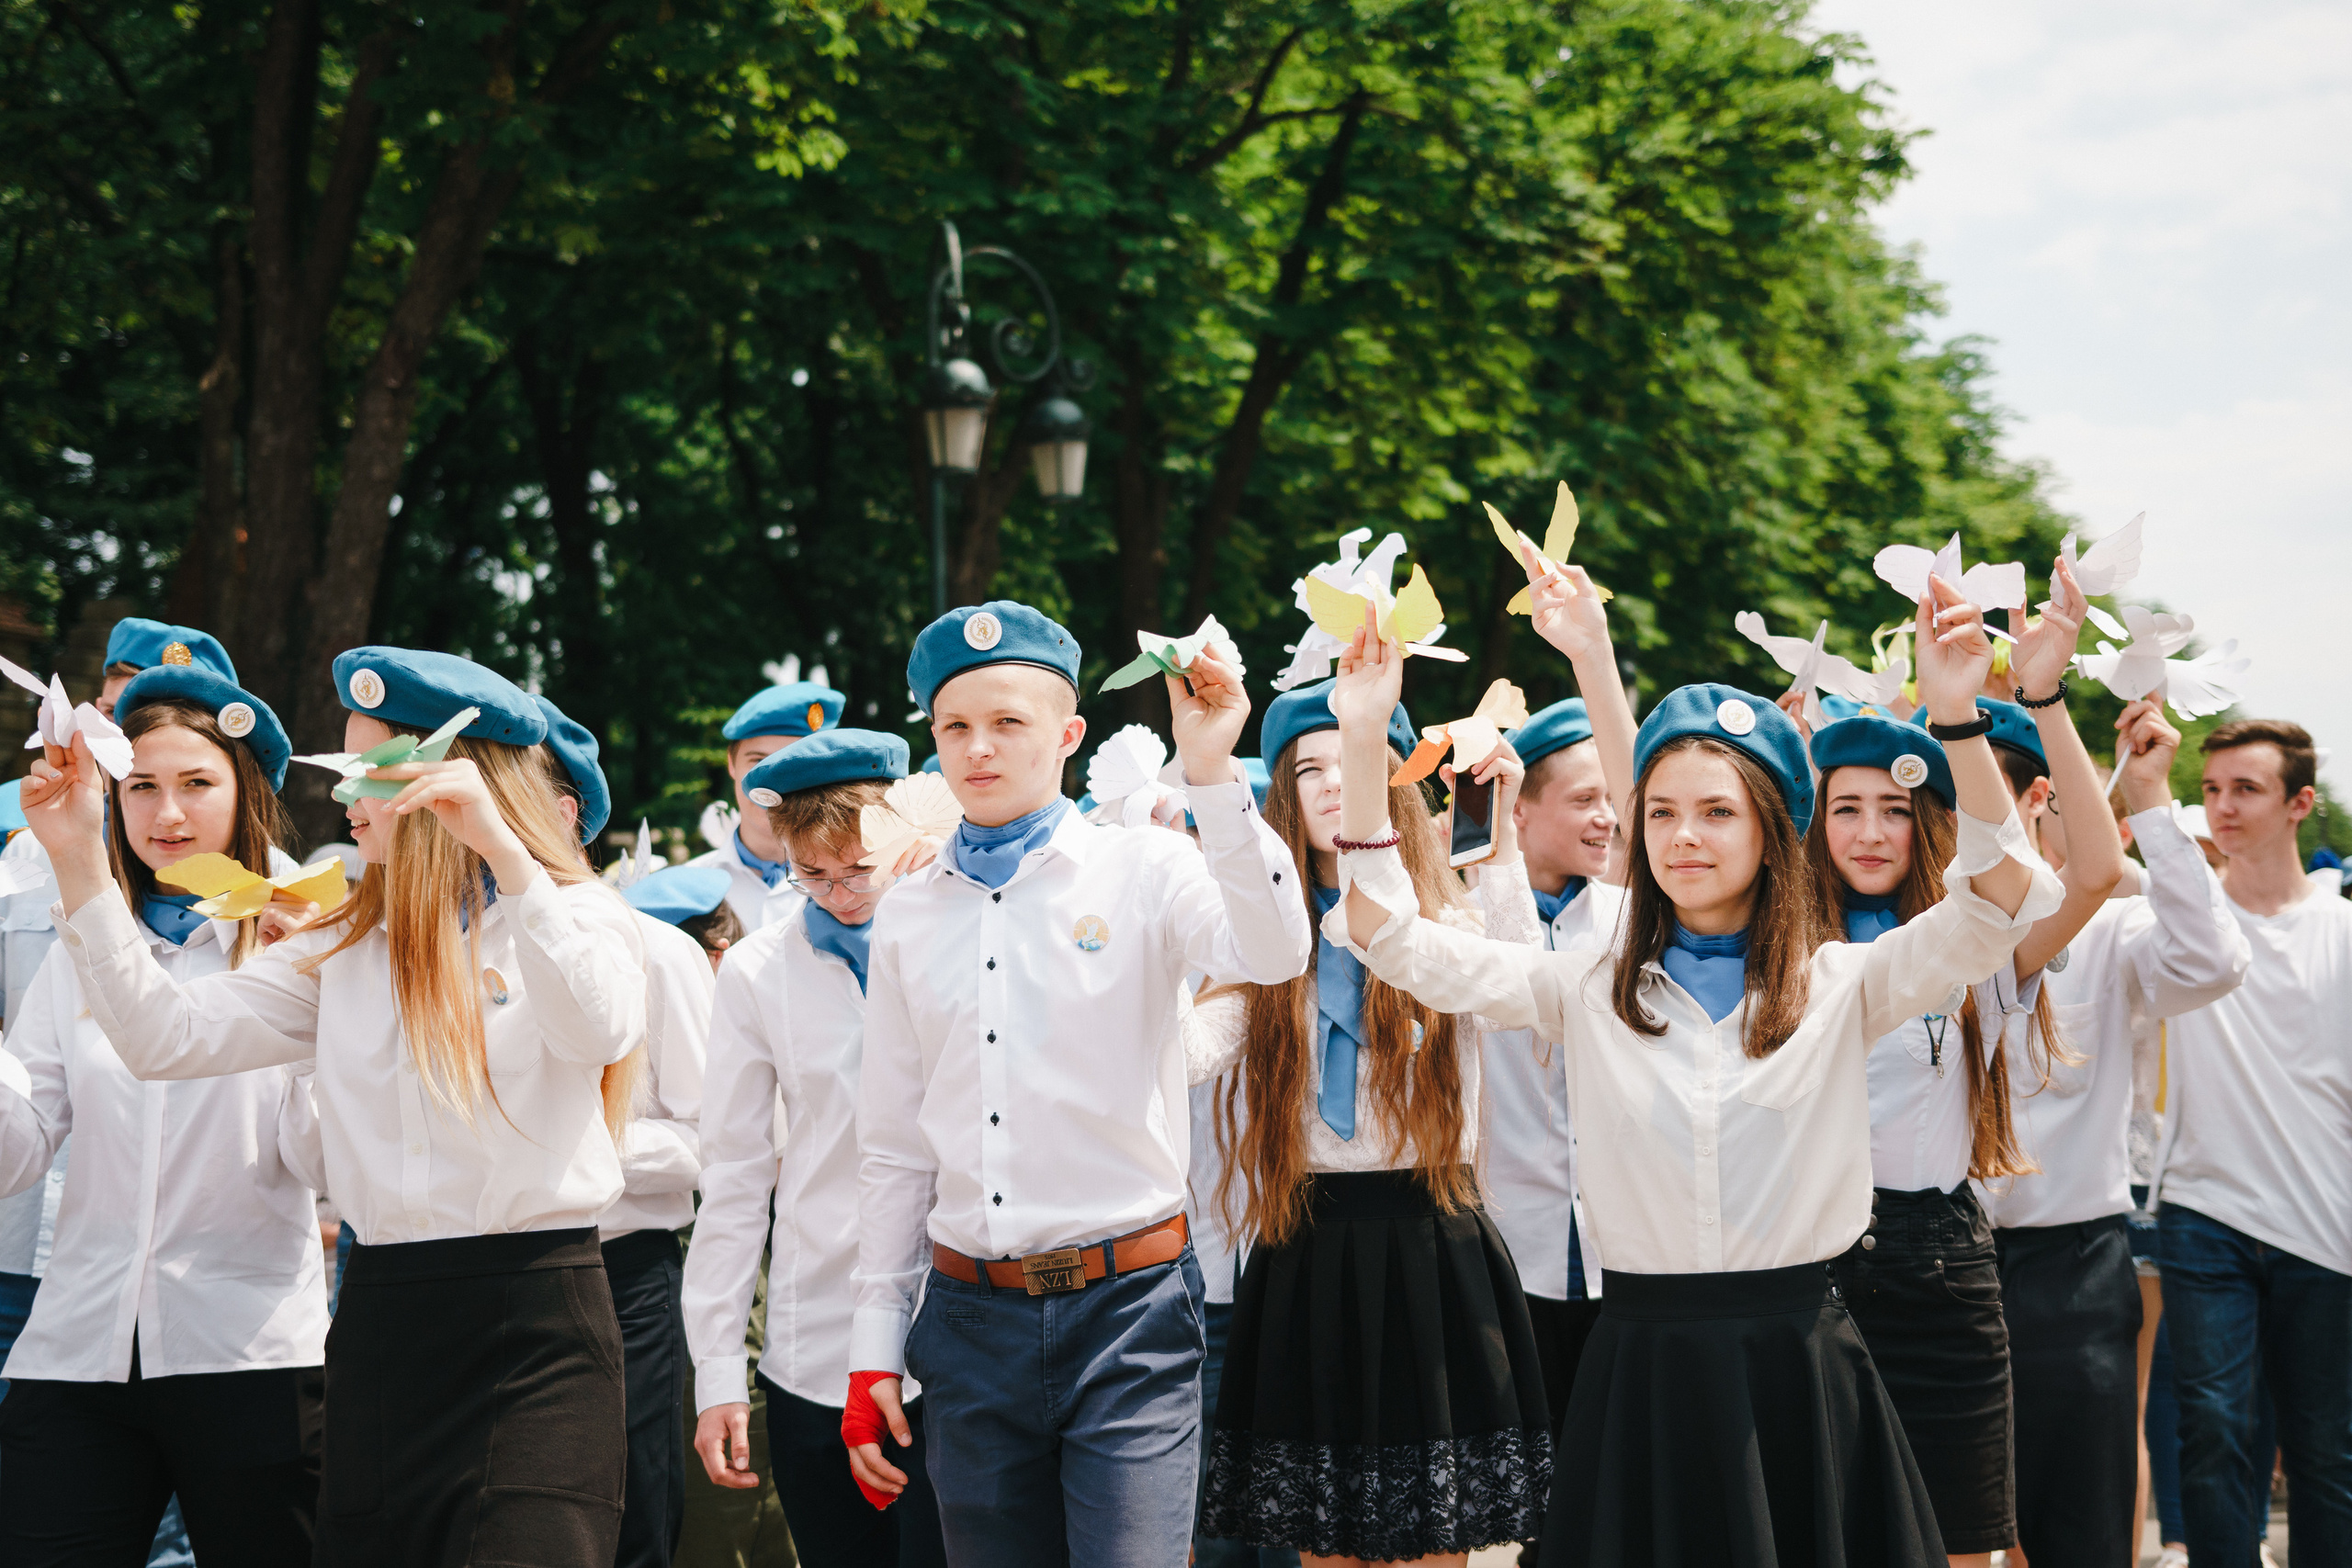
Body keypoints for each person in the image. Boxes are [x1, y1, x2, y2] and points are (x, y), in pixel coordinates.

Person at [1328, 552, 2063, 1565]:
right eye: (1662, 813)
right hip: (1642, 1370)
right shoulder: (1584, 989)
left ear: (1773, 832)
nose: (1683, 837)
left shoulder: (1844, 983)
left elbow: (2001, 898)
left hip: (1801, 1369)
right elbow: (1383, 931)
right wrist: (1365, 738)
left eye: (1716, 812)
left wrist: (1957, 718)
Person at [17, 645, 650, 1565]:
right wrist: (78, 861)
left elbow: (598, 1029)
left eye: (367, 769)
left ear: (452, 780)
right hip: (385, 1325)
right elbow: (164, 1038)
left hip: (533, 1320)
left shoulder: (570, 911)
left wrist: (505, 851)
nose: (344, 797)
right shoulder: (342, 946)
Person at [844, 601, 1312, 1568]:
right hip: (968, 1321)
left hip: (1128, 1311)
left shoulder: (1144, 865)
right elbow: (894, 1145)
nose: (978, 749)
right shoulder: (906, 913)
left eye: (1007, 723)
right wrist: (870, 1345)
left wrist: (1215, 770)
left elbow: (1272, 953)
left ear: (1067, 733)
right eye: (954, 728)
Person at [1799, 558, 2123, 1568]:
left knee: (1958, 1548)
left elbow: (2095, 872)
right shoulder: (1776, 947)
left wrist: (2024, 700)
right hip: (1802, 1261)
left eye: (1894, 810)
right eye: (1844, 807)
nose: (1868, 831)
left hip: (1938, 1262)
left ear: (1927, 822)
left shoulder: (1974, 939)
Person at [1193, 678, 1554, 1565]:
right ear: (1280, 794)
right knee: (1327, 1546)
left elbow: (1523, 991)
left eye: (1347, 761)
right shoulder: (1259, 946)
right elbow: (1193, 1048)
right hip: (1306, 1250)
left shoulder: (1446, 922)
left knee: (1436, 1542)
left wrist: (1498, 843)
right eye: (1304, 767)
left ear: (1392, 782)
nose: (1326, 783)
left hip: (1433, 1248)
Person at [0, 662, 329, 1564]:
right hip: (79, 1347)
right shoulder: (81, 945)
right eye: (141, 787)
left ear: (247, 793)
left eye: (196, 785)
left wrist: (326, 1025)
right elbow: (19, 1154)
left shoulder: (312, 934)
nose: (168, 815)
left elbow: (329, 1162)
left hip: (250, 1352)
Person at [1979, 695, 2249, 1568]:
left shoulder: (2107, 922)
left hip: (2071, 1263)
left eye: (1990, 793)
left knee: (2081, 1520)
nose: (1966, 819)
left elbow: (2211, 960)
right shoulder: (1896, 931)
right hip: (1932, 1256)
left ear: (2034, 800)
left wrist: (2149, 800)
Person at [685, 728, 946, 1568]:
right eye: (812, 875)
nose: (838, 893)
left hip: (962, 1334)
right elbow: (730, 1174)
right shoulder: (760, 971)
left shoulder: (961, 938)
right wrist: (720, 1368)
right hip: (818, 1344)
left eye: (856, 870)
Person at [2151, 717, 2352, 1563]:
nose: (2223, 807)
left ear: (2299, 802)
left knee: (2327, 1452)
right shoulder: (2180, 923)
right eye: (2211, 789)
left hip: (2327, 1222)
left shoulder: (2342, 932)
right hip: (2206, 1211)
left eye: (2247, 789)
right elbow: (2077, 860)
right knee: (2214, 1430)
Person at [537, 695, 707, 1568]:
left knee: (635, 1506)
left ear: (563, 815)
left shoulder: (657, 951)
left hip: (623, 1270)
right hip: (498, 1273)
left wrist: (567, 1143)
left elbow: (710, 1135)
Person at [1487, 697, 1621, 1514]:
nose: (1608, 818)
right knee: (1523, 1500)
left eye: (1612, 799)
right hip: (1511, 1254)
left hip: (1621, 1257)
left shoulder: (1637, 920)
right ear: (1520, 807)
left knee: (1611, 1492)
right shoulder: (1464, 923)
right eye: (1584, 800)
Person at [685, 682, 844, 932]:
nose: (773, 783)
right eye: (758, 761)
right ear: (731, 763)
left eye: (793, 762)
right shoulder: (688, 887)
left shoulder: (858, 887)